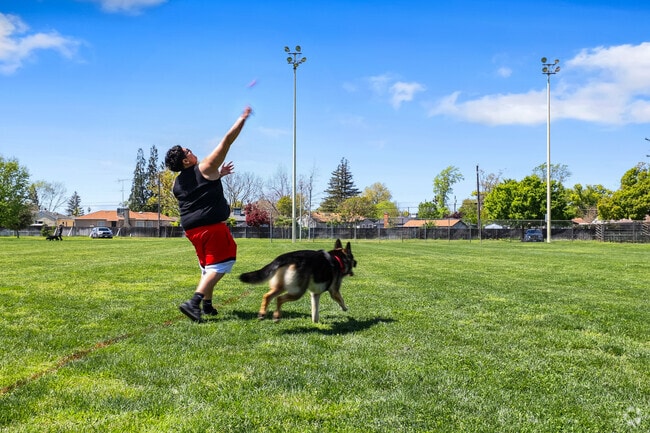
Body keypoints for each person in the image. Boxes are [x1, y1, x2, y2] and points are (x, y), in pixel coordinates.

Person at [164, 106, 252, 322]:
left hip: (192, 231)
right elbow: (226, 141)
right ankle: (193, 302)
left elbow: (198, 191)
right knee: (222, 263)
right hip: (211, 228)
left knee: (208, 267)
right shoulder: (204, 166)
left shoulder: (177, 183)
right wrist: (242, 119)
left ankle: (208, 305)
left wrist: (218, 175)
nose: (191, 151)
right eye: (187, 151)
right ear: (186, 161)